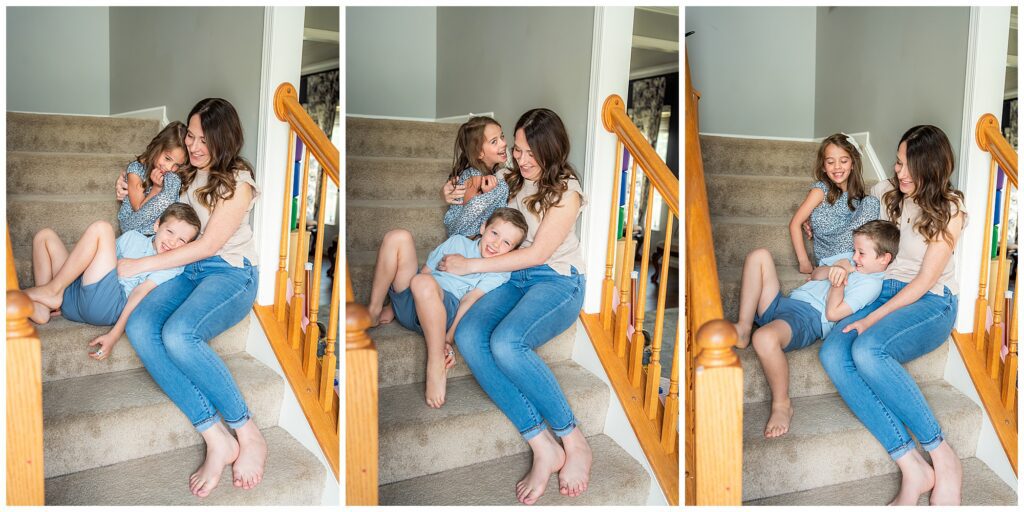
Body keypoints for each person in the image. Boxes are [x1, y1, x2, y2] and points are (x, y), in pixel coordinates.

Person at [437, 108, 591, 505]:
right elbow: (463, 225)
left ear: (551, 149)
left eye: (528, 153)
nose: (520, 159)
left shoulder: (566, 191)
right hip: (513, 278)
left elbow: (538, 253)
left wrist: (472, 265)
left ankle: (573, 439)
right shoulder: (510, 179)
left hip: (557, 281)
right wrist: (457, 195)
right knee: (470, 335)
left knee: (507, 343)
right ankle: (542, 444)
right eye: (517, 149)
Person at [113, 98, 265, 498]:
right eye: (191, 137)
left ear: (223, 138)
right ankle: (215, 435)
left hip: (230, 272)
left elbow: (208, 245)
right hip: (189, 271)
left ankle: (247, 432)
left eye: (203, 139)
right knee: (142, 324)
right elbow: (155, 201)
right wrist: (130, 188)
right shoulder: (191, 174)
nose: (195, 146)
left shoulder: (238, 180)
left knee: (180, 335)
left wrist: (137, 265)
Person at [819, 125, 966, 505]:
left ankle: (943, 456)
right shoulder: (888, 194)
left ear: (931, 168)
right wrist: (816, 226)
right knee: (833, 353)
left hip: (931, 301)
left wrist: (869, 320)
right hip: (883, 288)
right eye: (898, 163)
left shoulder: (950, 210)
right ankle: (911, 465)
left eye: (907, 167)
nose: (899, 173)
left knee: (868, 350)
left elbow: (922, 282)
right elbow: (855, 219)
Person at [733, 220, 899, 438]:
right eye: (855, 250)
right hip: (786, 303)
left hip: (807, 318)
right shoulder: (851, 262)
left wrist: (839, 283)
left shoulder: (871, 285)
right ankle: (744, 328)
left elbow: (833, 314)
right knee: (759, 255)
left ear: (884, 258)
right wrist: (838, 268)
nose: (855, 256)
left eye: (861, 253)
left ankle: (782, 404)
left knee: (764, 338)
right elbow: (816, 273)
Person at [368, 208, 529, 408]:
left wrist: (448, 339)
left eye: (506, 243)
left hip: (442, 311)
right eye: (494, 233)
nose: (496, 244)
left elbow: (469, 301)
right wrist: (394, 305)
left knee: (422, 282)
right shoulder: (458, 242)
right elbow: (427, 270)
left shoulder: (499, 271)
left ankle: (435, 365)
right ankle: (373, 310)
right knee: (398, 237)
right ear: (483, 227)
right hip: (413, 298)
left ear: (513, 251)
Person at [23, 204, 201, 364]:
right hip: (76, 295)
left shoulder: (173, 266)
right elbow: (94, 258)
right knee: (44, 236)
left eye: (182, 240)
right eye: (170, 232)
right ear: (157, 225)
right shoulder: (132, 237)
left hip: (106, 306)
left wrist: (114, 335)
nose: (172, 242)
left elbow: (139, 294)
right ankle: (43, 306)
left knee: (102, 228)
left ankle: (53, 291)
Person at [790, 133, 880, 274]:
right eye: (830, 162)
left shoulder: (856, 197)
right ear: (824, 167)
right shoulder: (820, 190)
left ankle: (860, 262)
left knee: (872, 201)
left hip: (854, 253)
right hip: (829, 255)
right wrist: (804, 261)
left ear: (852, 164)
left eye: (843, 161)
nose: (837, 167)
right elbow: (795, 223)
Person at [441, 116, 510, 237]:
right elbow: (465, 221)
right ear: (479, 153)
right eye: (494, 141)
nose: (503, 143)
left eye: (502, 136)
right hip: (467, 241)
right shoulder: (475, 177)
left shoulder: (490, 171)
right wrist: (488, 194)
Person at [118, 121, 189, 235]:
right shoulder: (136, 169)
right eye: (167, 158)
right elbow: (139, 210)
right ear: (157, 147)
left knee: (174, 180)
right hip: (132, 224)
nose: (170, 167)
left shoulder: (171, 175)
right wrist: (156, 188)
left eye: (177, 165)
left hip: (157, 225)